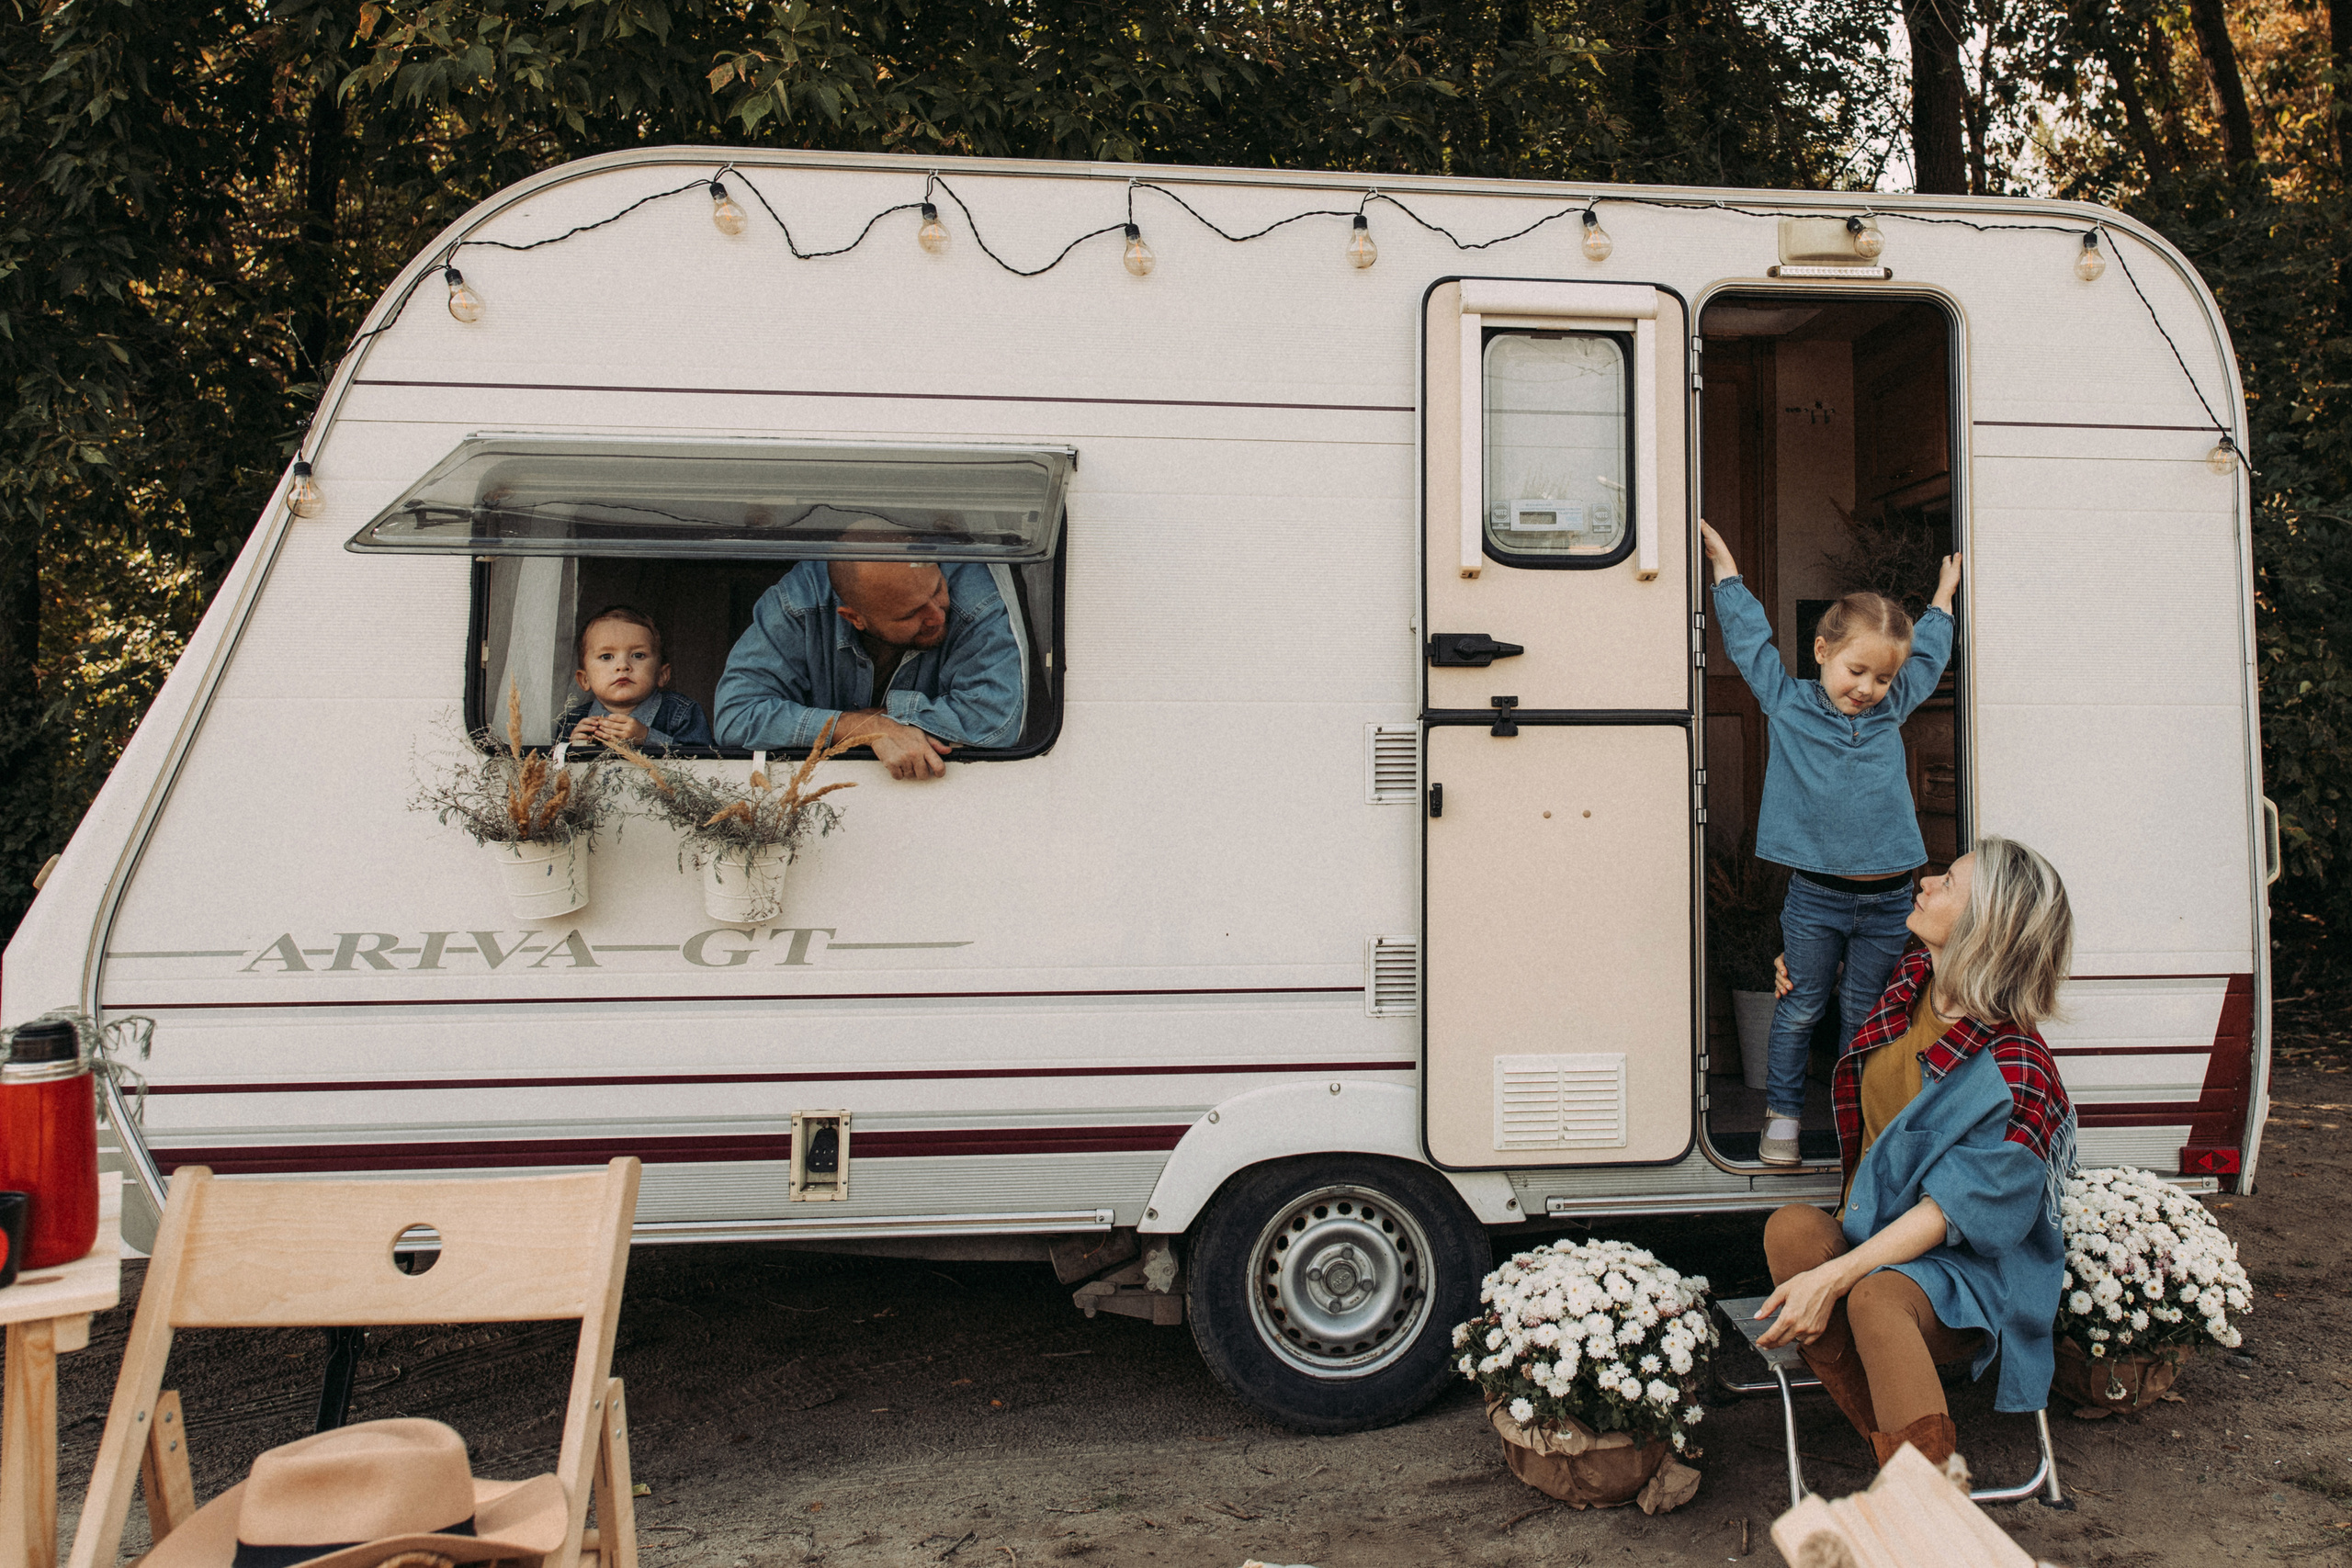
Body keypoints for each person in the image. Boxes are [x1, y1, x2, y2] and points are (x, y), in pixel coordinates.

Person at [1755, 837, 2077, 1472]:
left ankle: (1923, 1490)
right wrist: (1801, 972)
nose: (1926, 882)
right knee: (1791, 1230)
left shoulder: (2017, 1069)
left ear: (1986, 926)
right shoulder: (1912, 980)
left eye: (1948, 883)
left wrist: (1833, 1278)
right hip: (1882, 1234)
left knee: (1874, 1297)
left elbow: (1950, 1214)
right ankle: (1916, 1471)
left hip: (1972, 1268)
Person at [1699, 519, 1962, 1166]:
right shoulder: (1788, 703)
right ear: (1821, 651)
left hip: (1888, 901)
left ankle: (1858, 1126)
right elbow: (1752, 644)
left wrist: (1943, 599)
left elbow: (1928, 656)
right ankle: (1783, 1117)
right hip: (1816, 898)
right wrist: (1726, 573)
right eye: (1856, 670)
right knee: (1800, 1007)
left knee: (1863, 1014)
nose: (1867, 688)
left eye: (1881, 678)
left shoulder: (1892, 708)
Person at [714, 559, 1023, 779]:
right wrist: (864, 729)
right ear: (854, 618)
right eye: (910, 614)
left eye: (937, 590)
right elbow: (736, 718)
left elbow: (995, 722)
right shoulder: (799, 603)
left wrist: (874, 722)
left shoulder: (975, 597)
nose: (938, 616)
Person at [557, 604, 713, 750]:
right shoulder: (572, 723)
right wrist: (572, 749)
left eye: (638, 655)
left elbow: (705, 762)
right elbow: (555, 767)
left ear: (662, 675)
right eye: (606, 657)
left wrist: (647, 738)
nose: (623, 665)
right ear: (584, 680)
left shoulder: (680, 713)